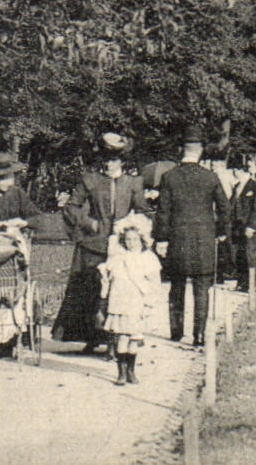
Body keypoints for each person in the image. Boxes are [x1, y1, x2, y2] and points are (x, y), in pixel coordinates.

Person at [53, 132, 149, 349]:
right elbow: (71, 207)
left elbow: (143, 211)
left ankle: (117, 339)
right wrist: (90, 223)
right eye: (105, 159)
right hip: (93, 244)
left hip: (121, 247)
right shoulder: (91, 180)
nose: (108, 164)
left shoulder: (132, 183)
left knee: (120, 291)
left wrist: (131, 227)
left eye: (113, 160)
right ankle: (91, 338)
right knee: (91, 289)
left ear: (122, 161)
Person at [154, 125, 229, 347]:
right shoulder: (210, 177)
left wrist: (161, 238)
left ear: (181, 150)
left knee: (176, 286)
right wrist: (221, 232)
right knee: (202, 288)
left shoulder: (169, 177)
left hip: (178, 239)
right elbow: (225, 208)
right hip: (204, 239)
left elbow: (163, 211)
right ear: (201, 151)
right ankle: (199, 335)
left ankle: (176, 332)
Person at [98, 213, 162, 385]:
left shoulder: (149, 258)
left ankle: (131, 371)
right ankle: (121, 372)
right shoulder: (118, 258)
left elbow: (155, 284)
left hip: (136, 303)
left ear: (142, 239)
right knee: (122, 338)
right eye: (127, 239)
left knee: (134, 338)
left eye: (135, 239)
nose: (131, 243)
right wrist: (104, 292)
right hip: (119, 303)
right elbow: (108, 279)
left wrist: (149, 304)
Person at [225, 154, 256, 291]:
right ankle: (242, 283)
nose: (234, 173)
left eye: (235, 170)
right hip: (238, 227)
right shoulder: (237, 187)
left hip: (250, 227)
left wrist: (251, 226)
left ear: (241, 171)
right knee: (239, 256)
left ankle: (251, 285)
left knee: (249, 255)